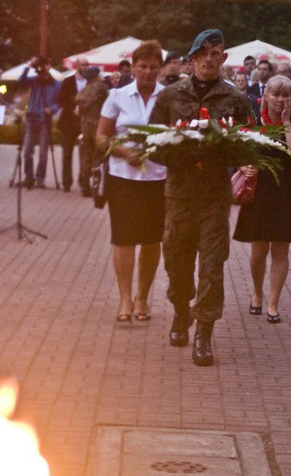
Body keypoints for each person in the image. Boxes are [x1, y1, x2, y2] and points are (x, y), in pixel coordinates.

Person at [150, 28, 254, 367]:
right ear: (193, 58)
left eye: (216, 54)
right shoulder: (169, 96)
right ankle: (182, 311)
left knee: (212, 265)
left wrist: (240, 159)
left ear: (224, 58)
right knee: (176, 262)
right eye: (203, 54)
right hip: (179, 194)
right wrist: (178, 154)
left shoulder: (236, 99)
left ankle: (203, 334)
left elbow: (248, 142)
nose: (209, 59)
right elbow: (152, 143)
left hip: (214, 196)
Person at [96, 41, 166, 325]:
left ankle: (142, 297)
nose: (147, 72)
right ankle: (124, 296)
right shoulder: (117, 96)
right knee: (124, 237)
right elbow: (100, 137)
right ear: (133, 67)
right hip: (123, 176)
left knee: (151, 239)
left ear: (159, 69)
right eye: (142, 66)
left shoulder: (169, 97)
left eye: (153, 67)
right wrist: (124, 152)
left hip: (157, 177)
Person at [233, 75, 291, 323]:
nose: (280, 99)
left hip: (285, 191)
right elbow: (240, 150)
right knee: (258, 249)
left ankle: (273, 303)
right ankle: (257, 293)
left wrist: (286, 121)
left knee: (280, 248)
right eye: (276, 94)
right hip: (260, 190)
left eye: (285, 95)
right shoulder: (254, 121)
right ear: (265, 96)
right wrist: (244, 166)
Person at [18, 55, 61, 189]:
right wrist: (29, 66)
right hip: (31, 118)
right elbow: (21, 81)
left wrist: (52, 109)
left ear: (50, 66)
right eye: (42, 66)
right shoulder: (35, 80)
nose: (43, 69)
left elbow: (60, 102)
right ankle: (28, 177)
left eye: (46, 65)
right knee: (27, 151)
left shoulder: (56, 84)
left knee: (43, 153)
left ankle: (40, 179)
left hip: (45, 120)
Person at [57, 56, 89, 194]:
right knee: (67, 154)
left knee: (84, 155)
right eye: (83, 65)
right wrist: (73, 109)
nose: (86, 67)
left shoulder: (91, 82)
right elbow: (61, 99)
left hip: (84, 122)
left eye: (87, 65)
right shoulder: (68, 81)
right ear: (77, 66)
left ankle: (83, 182)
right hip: (68, 122)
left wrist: (82, 109)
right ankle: (66, 182)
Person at [75, 66, 108, 198]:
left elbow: (79, 105)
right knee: (99, 156)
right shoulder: (101, 88)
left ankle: (84, 186)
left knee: (85, 156)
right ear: (96, 76)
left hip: (85, 127)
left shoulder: (83, 90)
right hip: (99, 126)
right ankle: (96, 185)